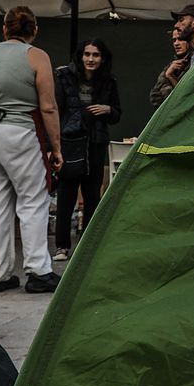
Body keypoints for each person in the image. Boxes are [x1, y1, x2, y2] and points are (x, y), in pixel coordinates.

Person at [0, 6, 63, 294]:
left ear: (5, 29)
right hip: (19, 132)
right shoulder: (37, 56)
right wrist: (56, 147)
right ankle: (38, 271)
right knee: (32, 201)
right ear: (34, 29)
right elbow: (47, 105)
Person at [52, 39, 121, 261]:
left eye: (96, 55)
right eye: (87, 54)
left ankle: (86, 244)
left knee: (93, 194)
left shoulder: (109, 82)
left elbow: (118, 113)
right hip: (70, 142)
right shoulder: (63, 76)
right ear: (80, 56)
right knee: (66, 194)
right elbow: (55, 108)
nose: (91, 59)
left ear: (103, 58)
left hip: (96, 142)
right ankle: (62, 246)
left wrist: (107, 109)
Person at [150, 34, 194, 107]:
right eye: (174, 40)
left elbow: (187, 97)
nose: (176, 43)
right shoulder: (171, 67)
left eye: (180, 39)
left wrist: (170, 76)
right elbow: (154, 97)